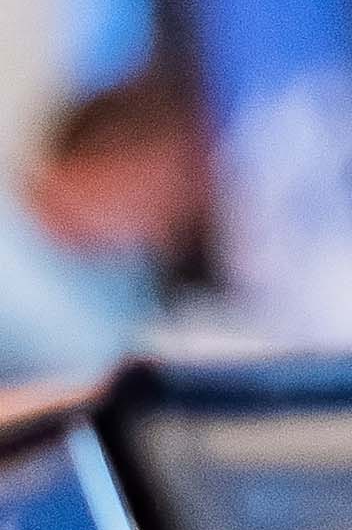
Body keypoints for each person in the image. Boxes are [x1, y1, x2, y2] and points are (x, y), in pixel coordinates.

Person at [0, 73, 212, 382]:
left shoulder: (123, 269)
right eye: (152, 195)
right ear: (96, 161)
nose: (160, 230)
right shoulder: (11, 261)